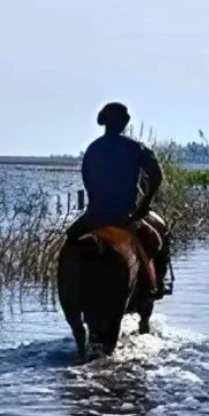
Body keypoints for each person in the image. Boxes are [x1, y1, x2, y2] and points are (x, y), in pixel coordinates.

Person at [65, 102, 169, 298]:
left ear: (105, 123)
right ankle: (156, 285)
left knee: (70, 239)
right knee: (159, 237)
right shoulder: (136, 148)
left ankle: (68, 293)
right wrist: (144, 205)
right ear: (123, 124)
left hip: (95, 216)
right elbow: (157, 176)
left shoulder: (92, 150)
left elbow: (88, 181)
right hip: (126, 216)